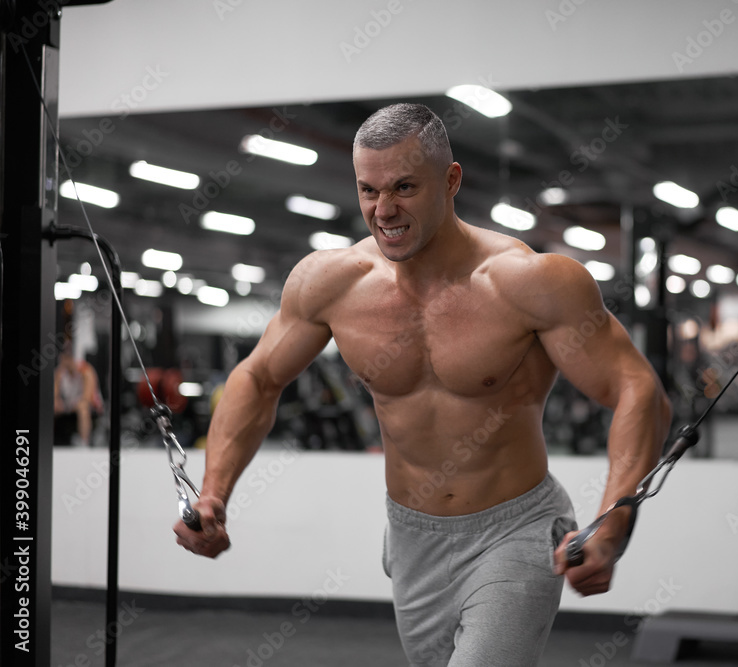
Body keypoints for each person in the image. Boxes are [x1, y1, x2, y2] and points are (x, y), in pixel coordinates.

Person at [174, 103, 672, 665]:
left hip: (515, 531)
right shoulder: (331, 283)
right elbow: (258, 378)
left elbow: (638, 389)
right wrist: (214, 491)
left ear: (451, 180)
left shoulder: (528, 283)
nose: (384, 210)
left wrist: (614, 522)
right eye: (369, 190)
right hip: (412, 539)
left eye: (405, 187)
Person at [54, 344, 102, 447]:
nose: (63, 362)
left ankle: (84, 442)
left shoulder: (86, 371)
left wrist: (74, 405)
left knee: (82, 407)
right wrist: (57, 402)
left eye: (67, 358)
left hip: (89, 406)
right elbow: (54, 394)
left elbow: (87, 397)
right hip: (69, 404)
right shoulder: (60, 372)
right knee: (52, 406)